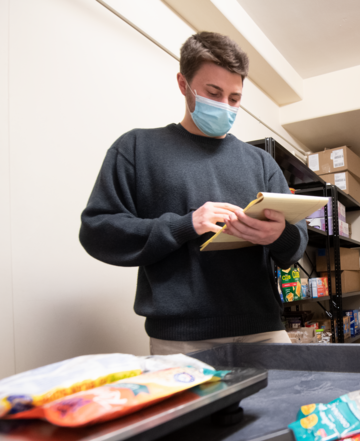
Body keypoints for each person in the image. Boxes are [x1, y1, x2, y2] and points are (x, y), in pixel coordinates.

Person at [80, 32, 306, 354]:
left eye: (234, 98)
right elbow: (98, 231)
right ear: (183, 84)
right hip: (182, 337)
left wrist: (278, 235)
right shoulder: (136, 149)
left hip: (263, 328)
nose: (225, 106)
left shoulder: (261, 162)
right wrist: (185, 225)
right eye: (213, 93)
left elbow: (296, 246)